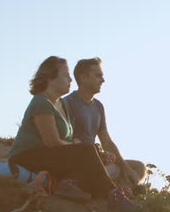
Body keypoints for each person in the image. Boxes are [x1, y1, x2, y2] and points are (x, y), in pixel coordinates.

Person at [8, 56, 141, 211]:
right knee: (87, 150)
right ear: (51, 78)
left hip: (51, 156)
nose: (71, 79)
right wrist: (80, 146)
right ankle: (114, 196)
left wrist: (97, 152)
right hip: (26, 157)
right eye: (66, 75)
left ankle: (82, 188)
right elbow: (52, 142)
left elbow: (70, 140)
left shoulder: (62, 104)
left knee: (90, 152)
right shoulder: (41, 102)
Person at [63, 57, 146, 193]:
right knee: (115, 169)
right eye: (98, 75)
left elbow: (106, 140)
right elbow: (67, 141)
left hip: (99, 161)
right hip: (81, 165)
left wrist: (125, 167)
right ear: (83, 78)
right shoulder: (67, 103)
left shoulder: (98, 106)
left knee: (138, 168)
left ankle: (121, 191)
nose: (103, 80)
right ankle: (119, 192)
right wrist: (100, 155)